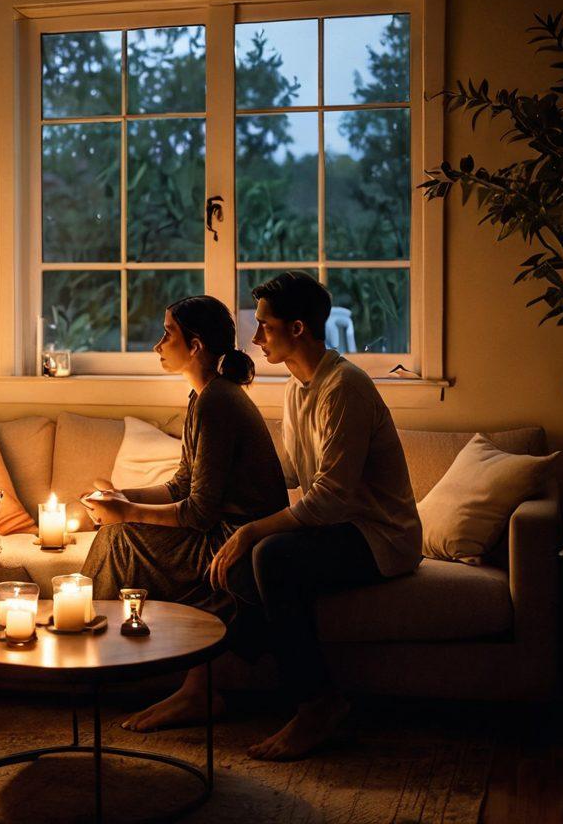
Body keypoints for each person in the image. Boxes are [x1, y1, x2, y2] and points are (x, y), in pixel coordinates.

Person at [209, 271, 422, 760]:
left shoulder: (344, 386)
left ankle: (318, 708)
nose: (256, 337)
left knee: (272, 558)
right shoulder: (295, 388)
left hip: (381, 536)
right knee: (241, 563)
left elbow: (330, 497)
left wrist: (253, 531)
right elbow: (292, 475)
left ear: (298, 328)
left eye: (264, 326)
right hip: (337, 529)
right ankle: (213, 683)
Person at [79, 295, 287, 730]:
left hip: (235, 541)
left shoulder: (218, 402)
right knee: (118, 528)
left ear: (194, 346)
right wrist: (119, 497)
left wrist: (127, 514)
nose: (157, 344)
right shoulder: (203, 398)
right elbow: (180, 485)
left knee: (120, 539)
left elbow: (199, 513)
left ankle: (91, 659)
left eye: (167, 333)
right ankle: (113, 659)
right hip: (220, 530)